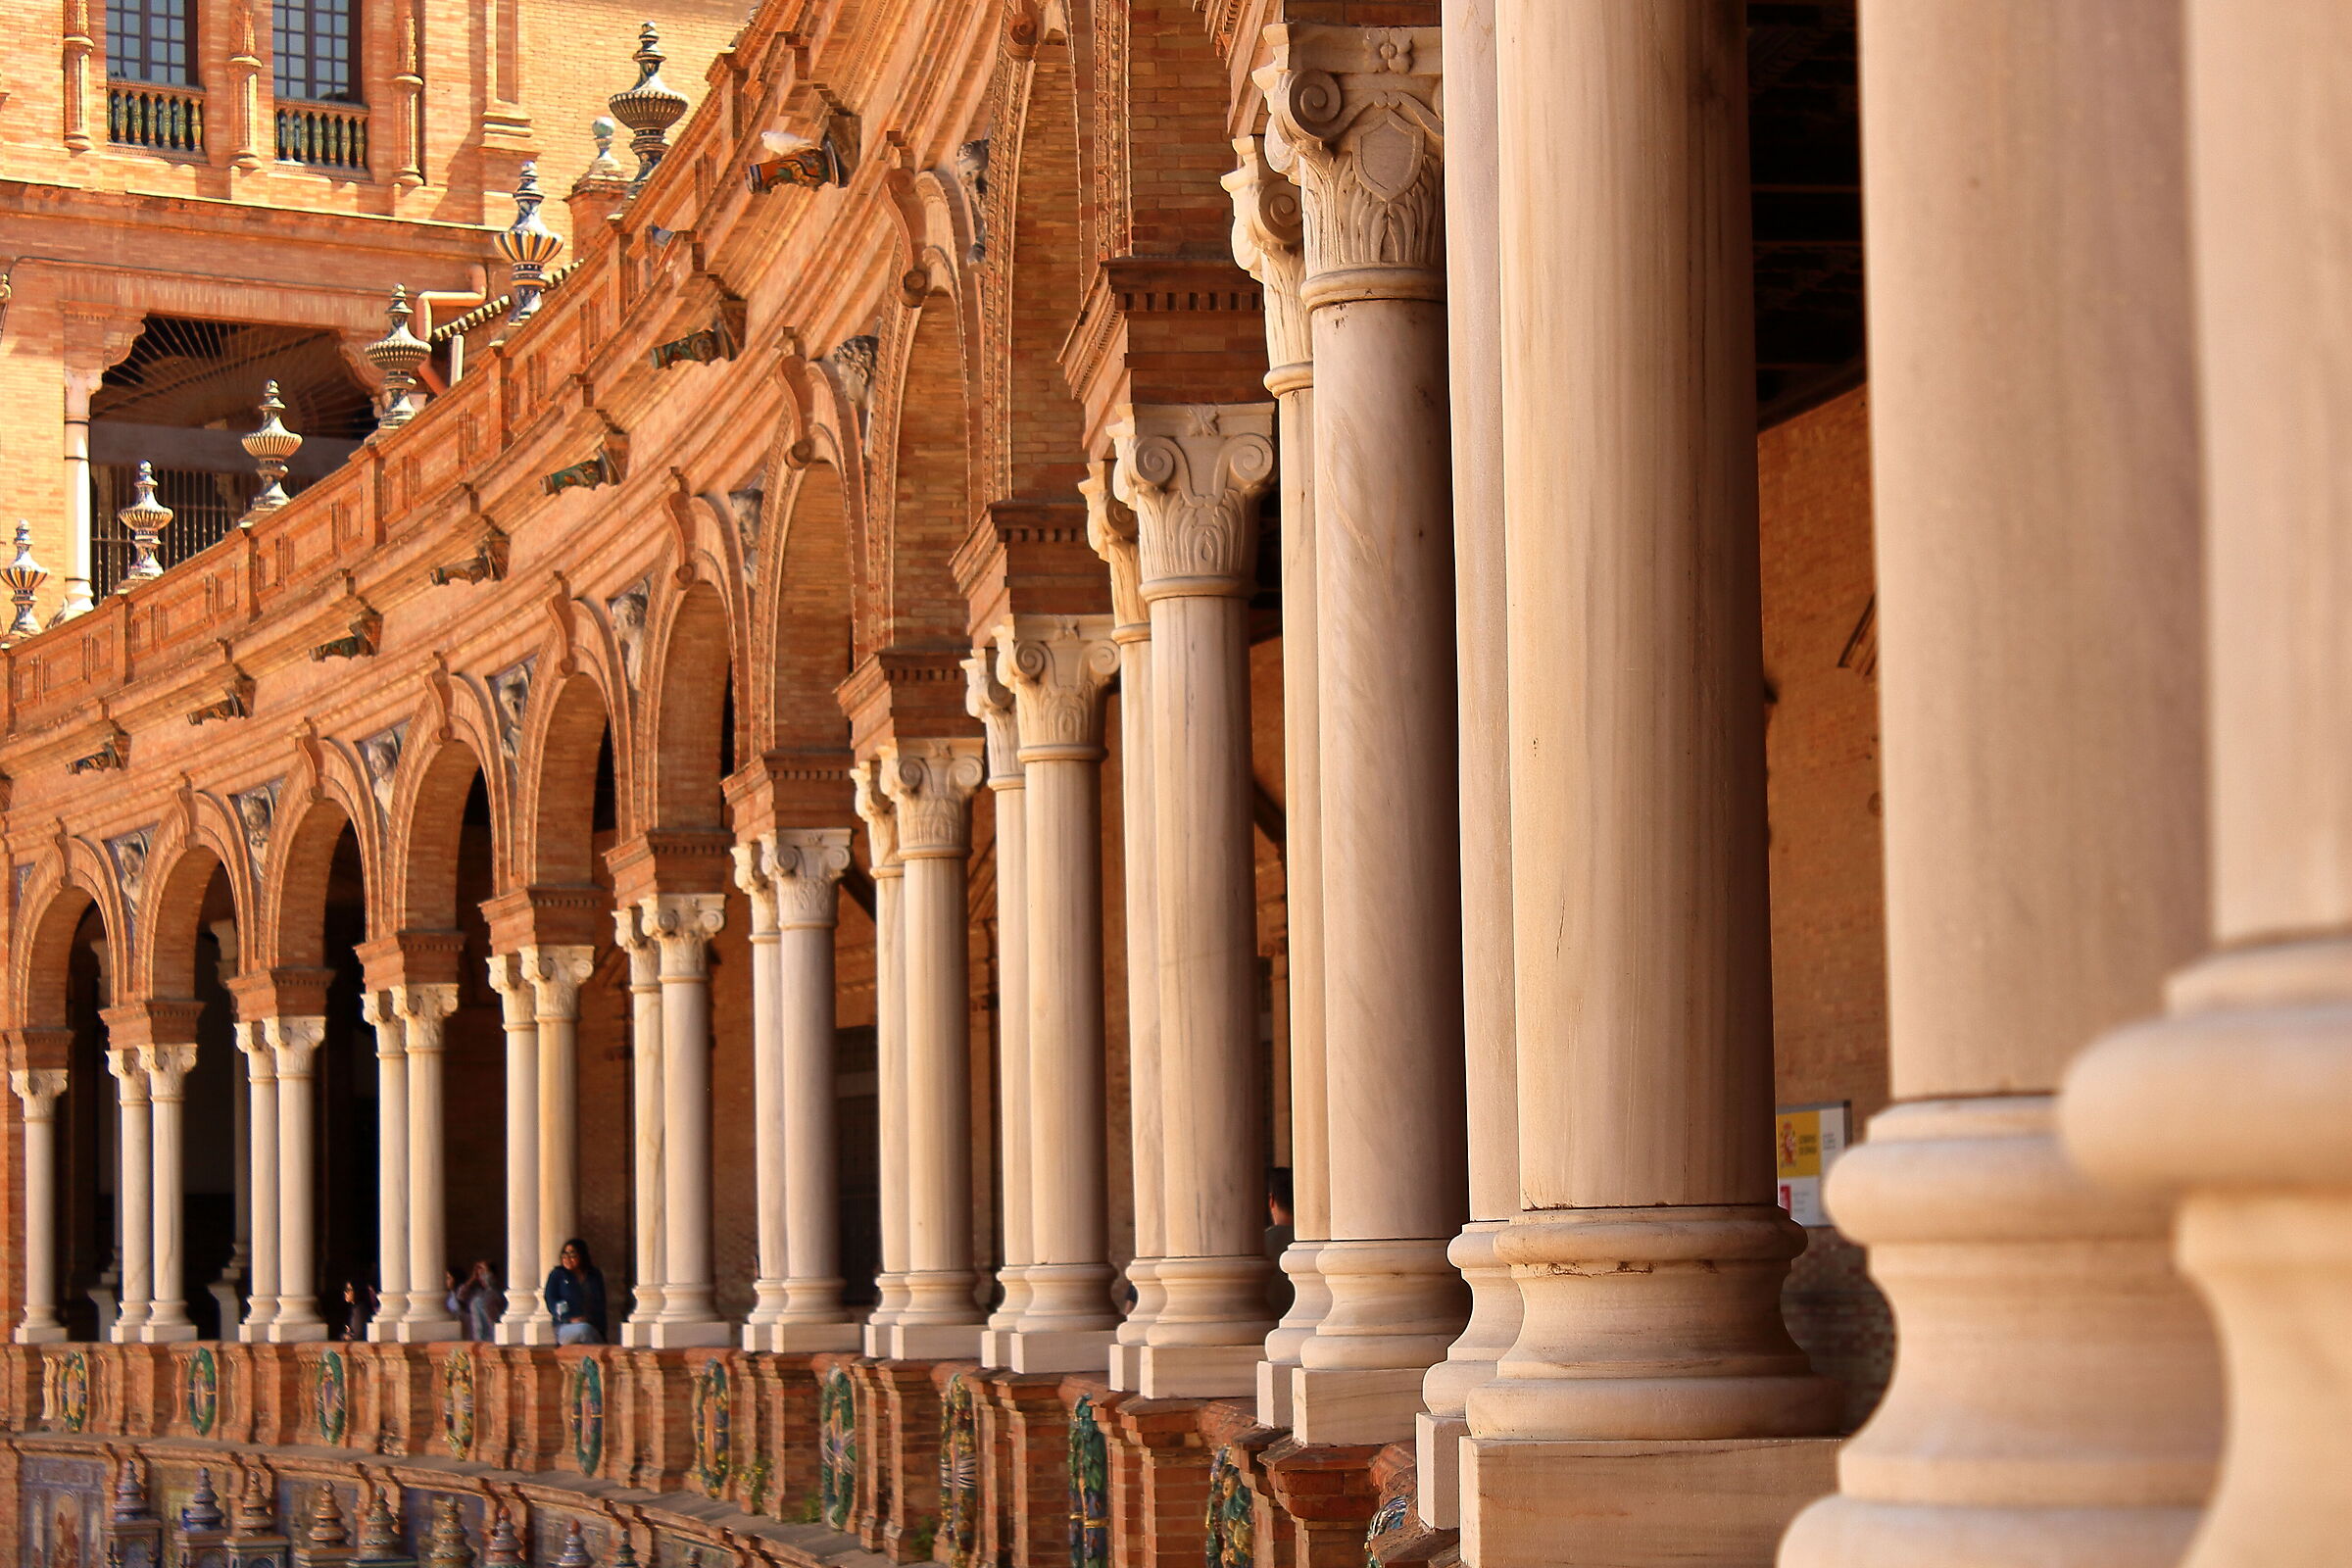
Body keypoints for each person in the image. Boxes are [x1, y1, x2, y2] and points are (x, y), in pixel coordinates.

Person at [544, 1238, 607, 1346]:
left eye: (572, 1255)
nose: (567, 1259)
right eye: (565, 1254)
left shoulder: (594, 1275)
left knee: (592, 1333)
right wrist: (569, 1319)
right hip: (565, 1327)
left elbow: (600, 1304)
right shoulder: (558, 1275)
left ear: (582, 1256)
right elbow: (552, 1300)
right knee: (584, 1330)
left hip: (593, 1325)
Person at [455, 1259, 499, 1342]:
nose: (482, 1277)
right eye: (480, 1275)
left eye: (484, 1274)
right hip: (477, 1335)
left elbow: (491, 1286)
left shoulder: (495, 1293)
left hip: (492, 1334)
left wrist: (487, 1272)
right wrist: (472, 1278)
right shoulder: (476, 1292)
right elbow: (460, 1296)